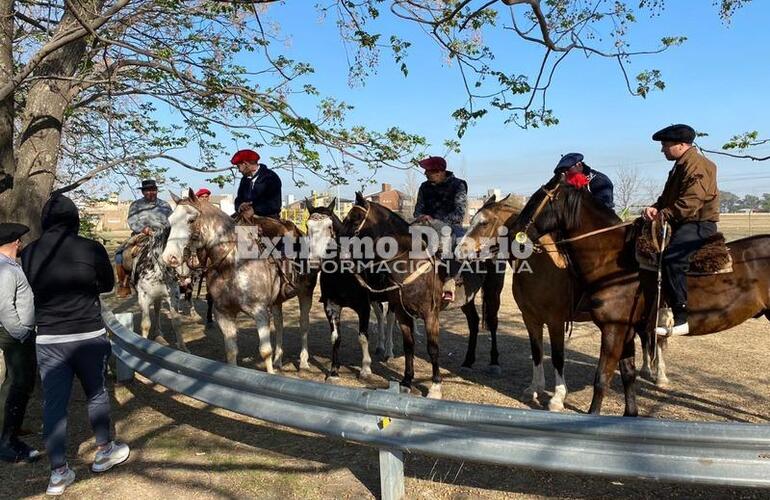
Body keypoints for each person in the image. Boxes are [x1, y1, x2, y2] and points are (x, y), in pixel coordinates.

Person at [21, 194, 130, 496]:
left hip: (49, 337)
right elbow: (107, 285)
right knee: (96, 393)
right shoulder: (91, 248)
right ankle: (105, 450)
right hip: (87, 334)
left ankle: (58, 473)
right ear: (74, 219)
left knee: (54, 404)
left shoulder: (29, 252)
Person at [642, 124, 719, 336]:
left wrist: (663, 214)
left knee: (673, 259)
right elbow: (668, 198)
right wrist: (655, 208)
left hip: (698, 224)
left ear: (682, 145)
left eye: (665, 145)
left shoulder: (698, 165)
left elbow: (691, 201)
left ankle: (681, 315)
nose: (662, 150)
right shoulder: (681, 165)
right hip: (682, 221)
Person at [0, 223, 40, 463]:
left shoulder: (10, 265)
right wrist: (21, 332)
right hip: (14, 334)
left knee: (18, 382)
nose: (22, 244)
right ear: (15, 243)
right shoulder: (5, 269)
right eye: (20, 241)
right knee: (18, 383)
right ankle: (6, 441)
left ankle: (11, 428)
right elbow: (4, 306)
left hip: (16, 333)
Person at [413, 156, 468, 301]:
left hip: (450, 224)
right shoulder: (424, 187)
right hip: (425, 223)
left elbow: (459, 213)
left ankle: (451, 280)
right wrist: (421, 217)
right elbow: (417, 210)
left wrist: (436, 220)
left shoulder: (458, 185)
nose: (425, 173)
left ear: (439, 172)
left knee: (455, 241)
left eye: (428, 171)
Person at [114, 179, 173, 297]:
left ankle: (182, 280)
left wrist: (164, 231)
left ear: (156, 190)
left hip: (163, 236)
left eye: (153, 190)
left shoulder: (165, 205)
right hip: (142, 236)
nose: (151, 192)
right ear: (143, 192)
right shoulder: (136, 205)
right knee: (119, 255)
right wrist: (143, 229)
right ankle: (124, 283)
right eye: (147, 190)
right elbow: (132, 221)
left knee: (178, 252)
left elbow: (171, 220)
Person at [232, 149, 282, 219]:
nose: (239, 171)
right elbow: (239, 198)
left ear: (245, 164)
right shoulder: (244, 180)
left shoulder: (270, 177)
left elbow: (274, 204)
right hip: (245, 216)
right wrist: (240, 205)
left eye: (238, 166)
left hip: (267, 219)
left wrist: (254, 209)